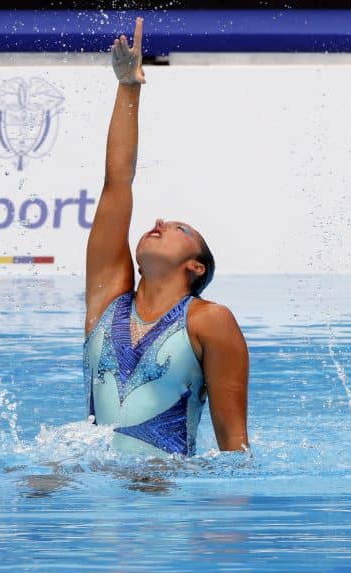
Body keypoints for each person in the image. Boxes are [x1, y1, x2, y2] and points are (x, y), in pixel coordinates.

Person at [83, 18, 249, 456]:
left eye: (179, 228)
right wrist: (128, 86)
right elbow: (116, 182)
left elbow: (235, 445)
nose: (159, 221)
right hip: (95, 498)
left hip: (166, 497)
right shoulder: (106, 303)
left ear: (195, 266)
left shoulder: (209, 321)